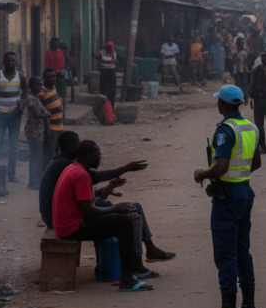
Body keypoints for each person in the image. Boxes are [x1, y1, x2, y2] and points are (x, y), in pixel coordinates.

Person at [39, 131, 172, 271]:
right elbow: (94, 181)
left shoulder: (66, 163)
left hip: (66, 214)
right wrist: (126, 168)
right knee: (126, 219)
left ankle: (150, 249)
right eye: (79, 144)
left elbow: (79, 195)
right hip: (60, 219)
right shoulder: (69, 167)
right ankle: (134, 266)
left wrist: (105, 191)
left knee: (132, 207)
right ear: (73, 148)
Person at [194, 85, 262, 308]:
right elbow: (256, 162)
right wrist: (239, 174)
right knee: (242, 251)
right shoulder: (251, 127)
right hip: (244, 191)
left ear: (222, 104)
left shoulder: (225, 130)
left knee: (225, 254)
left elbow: (220, 167)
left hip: (228, 196)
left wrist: (202, 173)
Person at [53, 140, 152, 292]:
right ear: (87, 155)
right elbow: (88, 211)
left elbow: (89, 204)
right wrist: (115, 209)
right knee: (124, 223)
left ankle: (128, 273)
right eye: (97, 155)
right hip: (72, 228)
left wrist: (114, 210)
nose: (100, 158)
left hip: (67, 223)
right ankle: (127, 278)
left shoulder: (74, 168)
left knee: (122, 217)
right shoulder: (81, 175)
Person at [0, 51, 27, 182]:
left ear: (16, 62)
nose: (11, 63)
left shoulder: (21, 77)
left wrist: (22, 102)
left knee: (14, 145)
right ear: (3, 62)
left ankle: (11, 174)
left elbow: (26, 90)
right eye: (8, 60)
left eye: (13, 61)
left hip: (15, 115)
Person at [24, 76, 50, 190]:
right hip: (34, 131)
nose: (40, 86)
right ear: (31, 85)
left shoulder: (35, 98)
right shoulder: (30, 98)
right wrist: (47, 114)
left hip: (38, 130)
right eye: (38, 84)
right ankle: (33, 182)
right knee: (36, 157)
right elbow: (35, 113)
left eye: (41, 84)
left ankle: (34, 181)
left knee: (36, 156)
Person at [38, 68, 63, 170]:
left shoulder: (53, 88)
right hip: (50, 127)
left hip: (59, 127)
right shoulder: (41, 92)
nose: (51, 79)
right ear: (44, 78)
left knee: (57, 152)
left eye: (53, 76)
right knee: (49, 153)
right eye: (49, 77)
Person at [44, 37, 67, 105]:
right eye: (54, 45)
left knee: (62, 87)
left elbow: (62, 63)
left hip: (59, 73)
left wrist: (59, 71)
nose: (55, 46)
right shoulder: (48, 53)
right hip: (51, 73)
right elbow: (47, 64)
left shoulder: (60, 52)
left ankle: (63, 102)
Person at [95, 42, 117, 108]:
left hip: (111, 73)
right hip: (104, 73)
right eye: (108, 48)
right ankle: (103, 107)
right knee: (104, 90)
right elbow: (97, 56)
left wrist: (112, 54)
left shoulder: (114, 53)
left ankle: (110, 107)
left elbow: (114, 61)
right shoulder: (101, 53)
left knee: (111, 90)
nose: (109, 50)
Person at [231, 37, 249, 105]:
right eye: (239, 44)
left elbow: (245, 63)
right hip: (236, 72)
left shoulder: (244, 53)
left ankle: (245, 97)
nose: (240, 45)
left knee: (244, 85)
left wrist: (243, 71)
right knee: (238, 85)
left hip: (243, 71)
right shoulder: (235, 53)